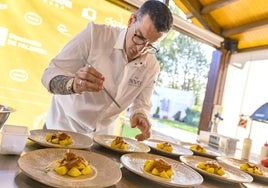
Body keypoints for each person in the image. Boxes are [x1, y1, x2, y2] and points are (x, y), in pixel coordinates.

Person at [41, 0, 173, 141]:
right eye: (139, 37)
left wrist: (140, 115)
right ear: (131, 20)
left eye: (150, 45)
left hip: (100, 141)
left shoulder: (152, 66)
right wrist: (72, 84)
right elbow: (49, 74)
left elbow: (141, 103)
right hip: (62, 128)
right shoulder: (95, 35)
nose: (140, 49)